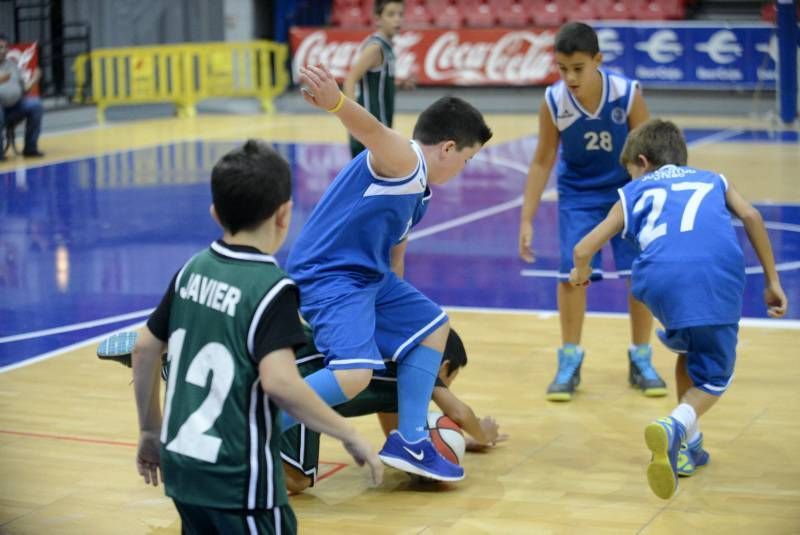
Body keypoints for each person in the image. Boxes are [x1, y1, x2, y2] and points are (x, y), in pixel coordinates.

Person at [130, 140, 382, 534]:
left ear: (216, 213)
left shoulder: (190, 270)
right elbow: (280, 383)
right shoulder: (272, 287)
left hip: (182, 468)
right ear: (284, 214)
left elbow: (144, 348)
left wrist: (149, 430)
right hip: (237, 479)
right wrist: (348, 432)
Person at [286, 63, 492, 482]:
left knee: (432, 325)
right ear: (448, 148)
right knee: (354, 374)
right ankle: (255, 426)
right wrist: (338, 103)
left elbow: (395, 259)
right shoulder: (407, 159)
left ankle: (411, 440)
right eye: (467, 159)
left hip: (368, 279)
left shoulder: (419, 194)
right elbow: (374, 131)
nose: (464, 169)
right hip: (328, 274)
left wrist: (399, 324)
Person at [569, 118, 788, 500]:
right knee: (715, 379)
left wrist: (580, 273)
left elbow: (583, 248)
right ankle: (675, 425)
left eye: (630, 171)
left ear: (643, 161)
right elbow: (752, 216)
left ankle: (689, 445)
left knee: (688, 349)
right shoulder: (714, 179)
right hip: (714, 276)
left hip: (655, 281)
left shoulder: (634, 190)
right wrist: (772, 281)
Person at [518, 22, 663, 402]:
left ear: (597, 61)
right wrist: (526, 218)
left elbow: (649, 155)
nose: (570, 77)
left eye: (578, 68)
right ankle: (569, 359)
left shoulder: (626, 93)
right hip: (579, 195)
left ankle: (641, 357)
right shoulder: (554, 101)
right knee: (571, 276)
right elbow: (543, 159)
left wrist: (651, 202)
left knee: (639, 276)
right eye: (562, 69)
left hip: (628, 192)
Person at [281, 328, 508, 492]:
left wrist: (455, 442)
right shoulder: (418, 368)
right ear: (443, 367)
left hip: (293, 352)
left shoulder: (394, 378)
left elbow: (398, 437)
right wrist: (483, 433)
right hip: (301, 376)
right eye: (451, 380)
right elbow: (460, 413)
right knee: (297, 480)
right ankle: (246, 473)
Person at [343, 0, 409, 158]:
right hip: (369, 131)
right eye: (391, 14)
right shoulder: (375, 48)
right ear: (378, 19)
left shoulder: (387, 47)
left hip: (380, 129)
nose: (397, 19)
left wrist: (396, 84)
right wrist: (353, 119)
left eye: (400, 14)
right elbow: (350, 80)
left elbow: (375, 82)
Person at [0, 33, 44, 160]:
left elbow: (23, 89)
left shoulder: (12, 66)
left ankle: (30, 148)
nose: (2, 51)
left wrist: (34, 79)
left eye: (4, 47)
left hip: (15, 106)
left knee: (35, 105)